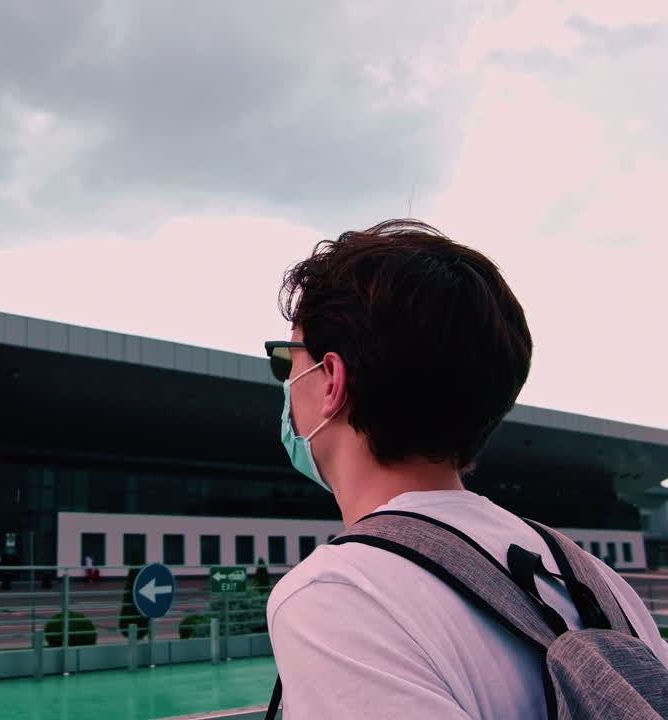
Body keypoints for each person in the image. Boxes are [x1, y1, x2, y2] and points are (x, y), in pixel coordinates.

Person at [264, 220, 668, 718]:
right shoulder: (597, 583)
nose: (284, 386)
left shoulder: (339, 595)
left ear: (331, 380)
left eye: (286, 362)